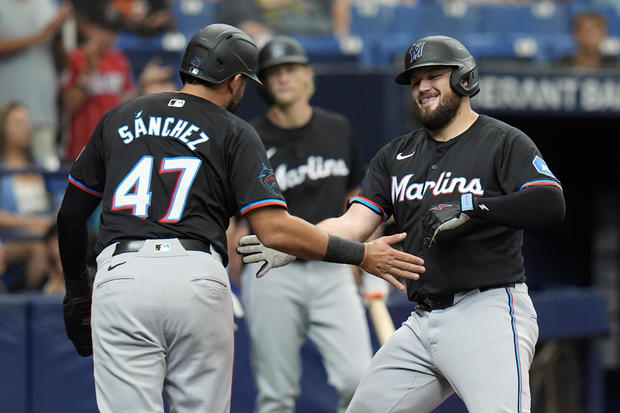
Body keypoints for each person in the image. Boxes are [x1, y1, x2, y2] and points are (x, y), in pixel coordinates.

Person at [55, 23, 423, 413]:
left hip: (122, 274)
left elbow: (70, 217)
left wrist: (78, 291)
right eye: (244, 81)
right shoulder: (235, 130)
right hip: (195, 272)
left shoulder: (118, 116)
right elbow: (274, 230)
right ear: (233, 81)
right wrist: (360, 254)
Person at [238, 35, 566, 412]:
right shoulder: (395, 156)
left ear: (464, 79)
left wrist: (475, 207)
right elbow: (353, 223)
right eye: (415, 81)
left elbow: (549, 202)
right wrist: (293, 242)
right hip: (422, 320)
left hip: (487, 310)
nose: (423, 87)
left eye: (434, 76)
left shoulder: (503, 141)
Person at [240, 36, 372, 413]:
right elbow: (236, 218)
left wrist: (358, 256)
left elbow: (357, 198)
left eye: (290, 69)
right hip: (270, 269)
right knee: (277, 394)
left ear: (307, 75)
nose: (282, 78)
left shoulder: (337, 128)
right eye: (273, 73)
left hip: (331, 265)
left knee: (359, 380)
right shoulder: (250, 136)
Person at [0, 0, 73, 171]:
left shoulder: (49, 7)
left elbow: (64, 63)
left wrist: (57, 35)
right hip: (4, 110)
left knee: (44, 174)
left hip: (43, 109)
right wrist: (42, 35)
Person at [60, 4, 133, 163]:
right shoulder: (77, 58)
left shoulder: (119, 60)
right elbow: (69, 105)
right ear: (90, 27)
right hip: (82, 147)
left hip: (113, 146)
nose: (107, 36)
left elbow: (126, 102)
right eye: (103, 28)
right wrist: (89, 72)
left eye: (113, 30)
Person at [0, 103, 54, 292]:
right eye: (18, 122)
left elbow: (60, 198)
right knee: (38, 248)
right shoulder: (2, 168)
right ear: (3, 128)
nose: (26, 127)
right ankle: (30, 302)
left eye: (27, 122)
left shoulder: (40, 163)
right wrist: (27, 223)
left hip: (44, 232)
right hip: (10, 239)